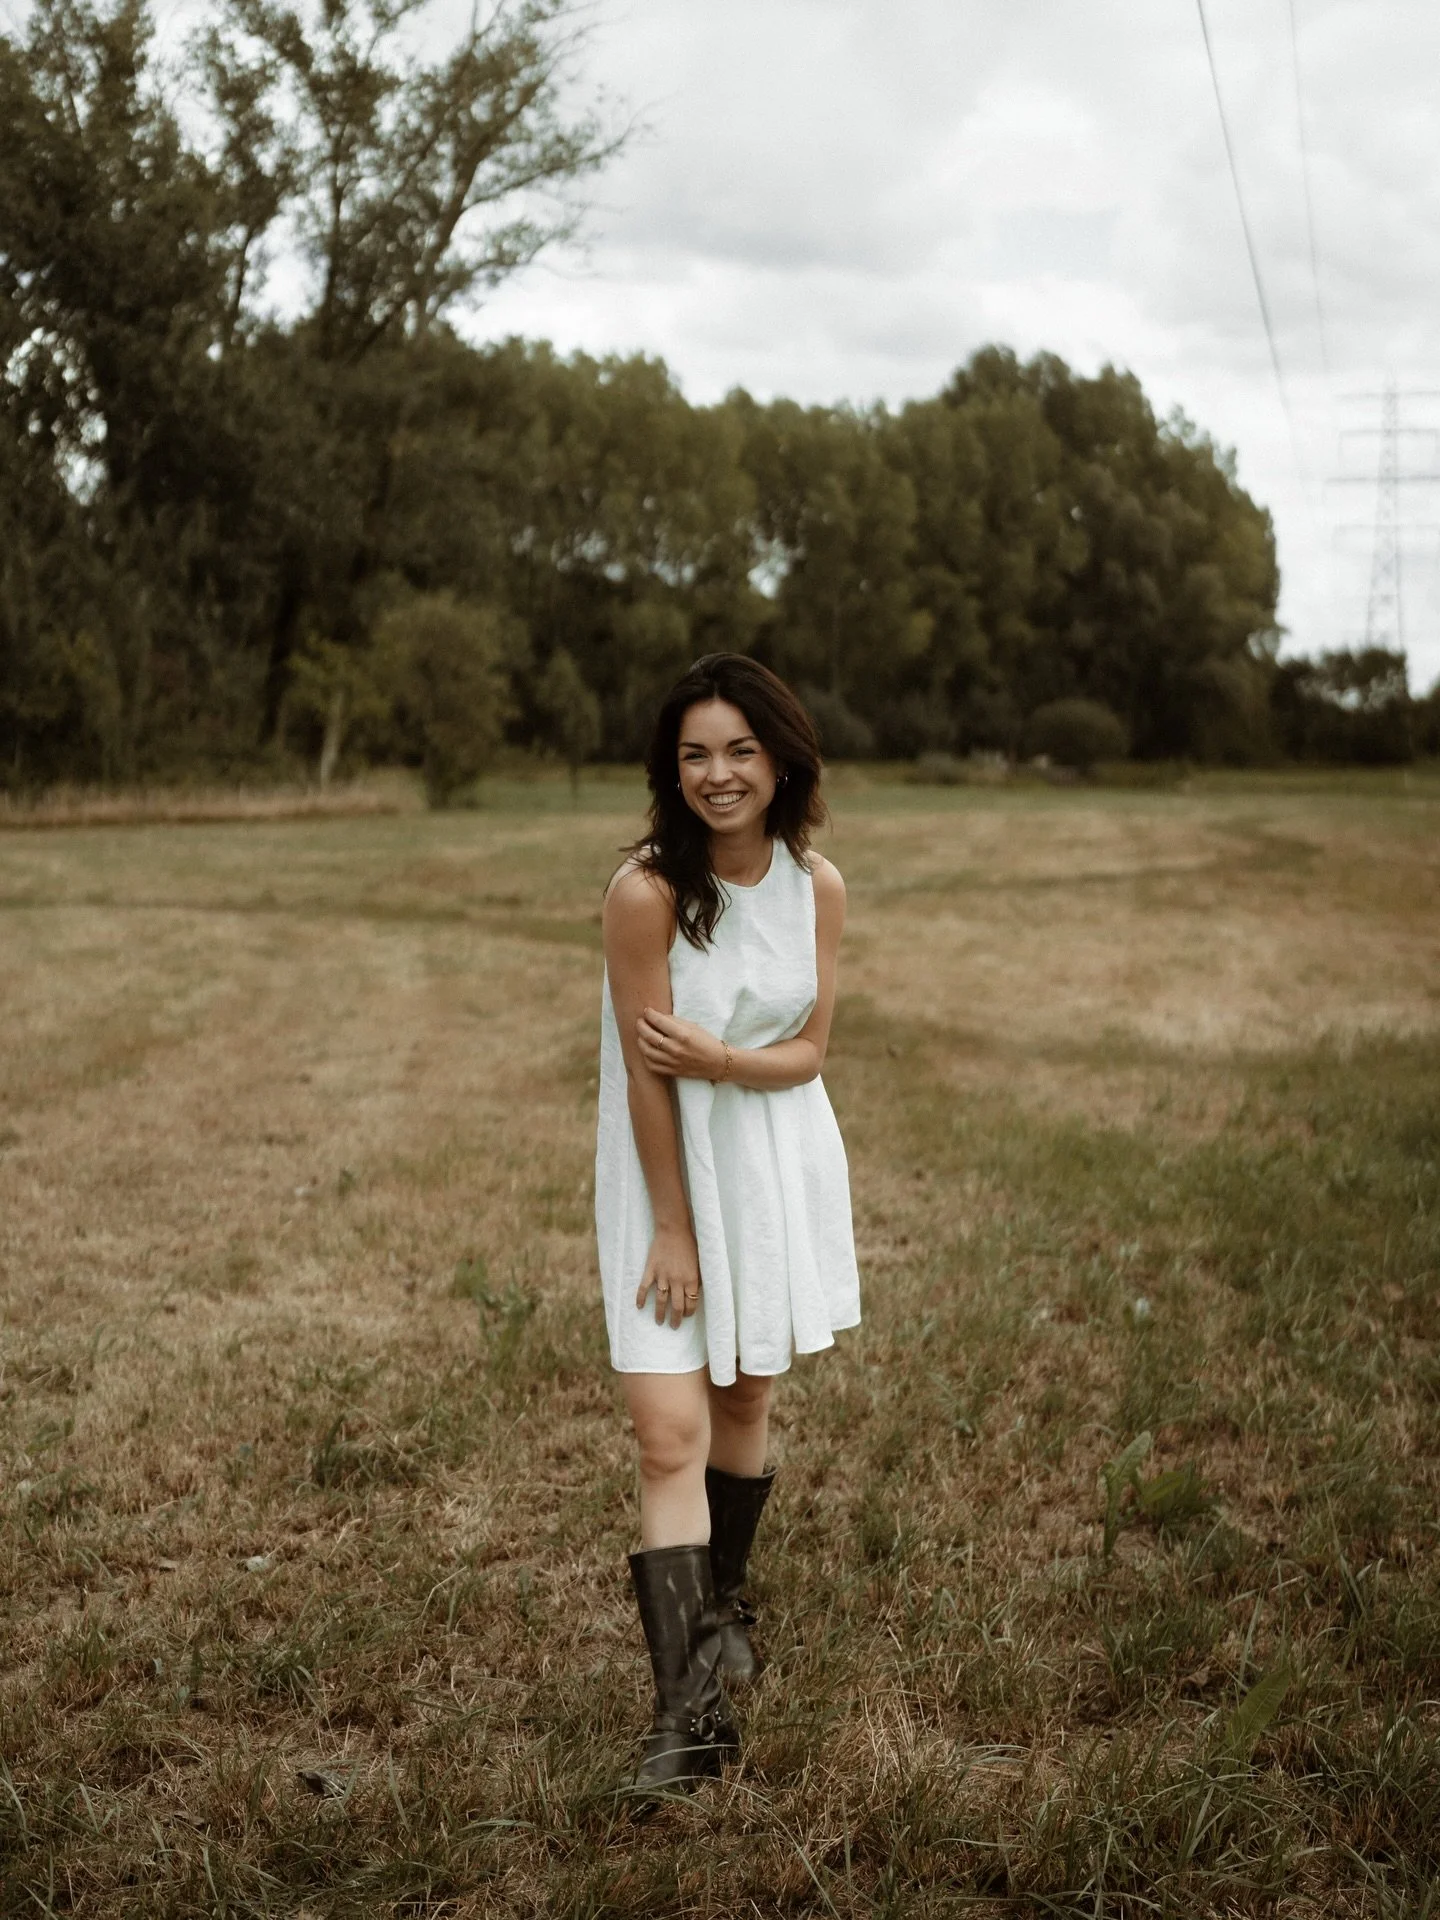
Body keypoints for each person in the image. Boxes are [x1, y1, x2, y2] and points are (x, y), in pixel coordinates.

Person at [596, 653, 861, 1792]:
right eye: (696, 753)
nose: (718, 774)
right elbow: (644, 1076)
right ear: (672, 767)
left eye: (740, 751)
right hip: (667, 1174)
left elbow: (811, 1051)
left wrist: (724, 1057)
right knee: (668, 1431)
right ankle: (690, 1718)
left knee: (745, 1392)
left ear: (780, 759)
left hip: (769, 1158)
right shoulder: (645, 892)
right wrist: (671, 1227)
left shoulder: (819, 885)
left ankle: (727, 1610)